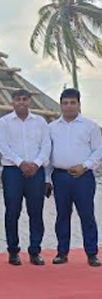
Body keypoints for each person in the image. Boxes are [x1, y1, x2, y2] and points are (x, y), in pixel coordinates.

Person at [46, 88, 102, 267]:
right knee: (62, 215)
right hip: (60, 177)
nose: (68, 106)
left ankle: (92, 253)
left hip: (83, 177)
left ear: (79, 104)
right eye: (65, 103)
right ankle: (62, 252)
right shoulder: (51, 128)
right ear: (60, 105)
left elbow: (98, 150)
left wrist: (84, 166)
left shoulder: (90, 126)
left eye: (72, 103)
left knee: (87, 215)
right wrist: (47, 179)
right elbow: (47, 155)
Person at [0, 89, 51, 266]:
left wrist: (35, 164)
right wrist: (21, 163)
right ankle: (13, 251)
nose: (21, 102)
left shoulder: (40, 122)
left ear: (30, 102)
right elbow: (3, 146)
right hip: (13, 171)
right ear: (12, 102)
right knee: (12, 211)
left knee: (36, 212)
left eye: (25, 99)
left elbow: (46, 145)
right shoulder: (4, 122)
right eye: (18, 99)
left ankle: (35, 251)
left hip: (36, 171)